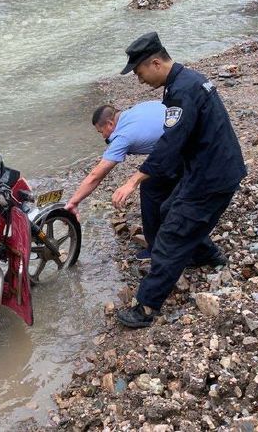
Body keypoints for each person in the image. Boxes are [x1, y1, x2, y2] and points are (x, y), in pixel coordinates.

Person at [112, 32, 246, 328]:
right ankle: (208, 255)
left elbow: (171, 142)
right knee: (168, 209)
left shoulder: (183, 91)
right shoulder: (184, 81)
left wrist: (134, 180)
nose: (140, 80)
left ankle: (146, 307)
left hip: (212, 177)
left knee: (171, 238)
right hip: (207, 168)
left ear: (156, 63)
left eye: (139, 72)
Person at [64, 102, 177, 258]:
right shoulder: (135, 110)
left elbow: (95, 176)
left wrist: (73, 202)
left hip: (184, 152)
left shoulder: (123, 136)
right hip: (182, 136)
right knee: (153, 186)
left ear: (110, 123)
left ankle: (158, 249)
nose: (103, 136)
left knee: (153, 192)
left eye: (101, 131)